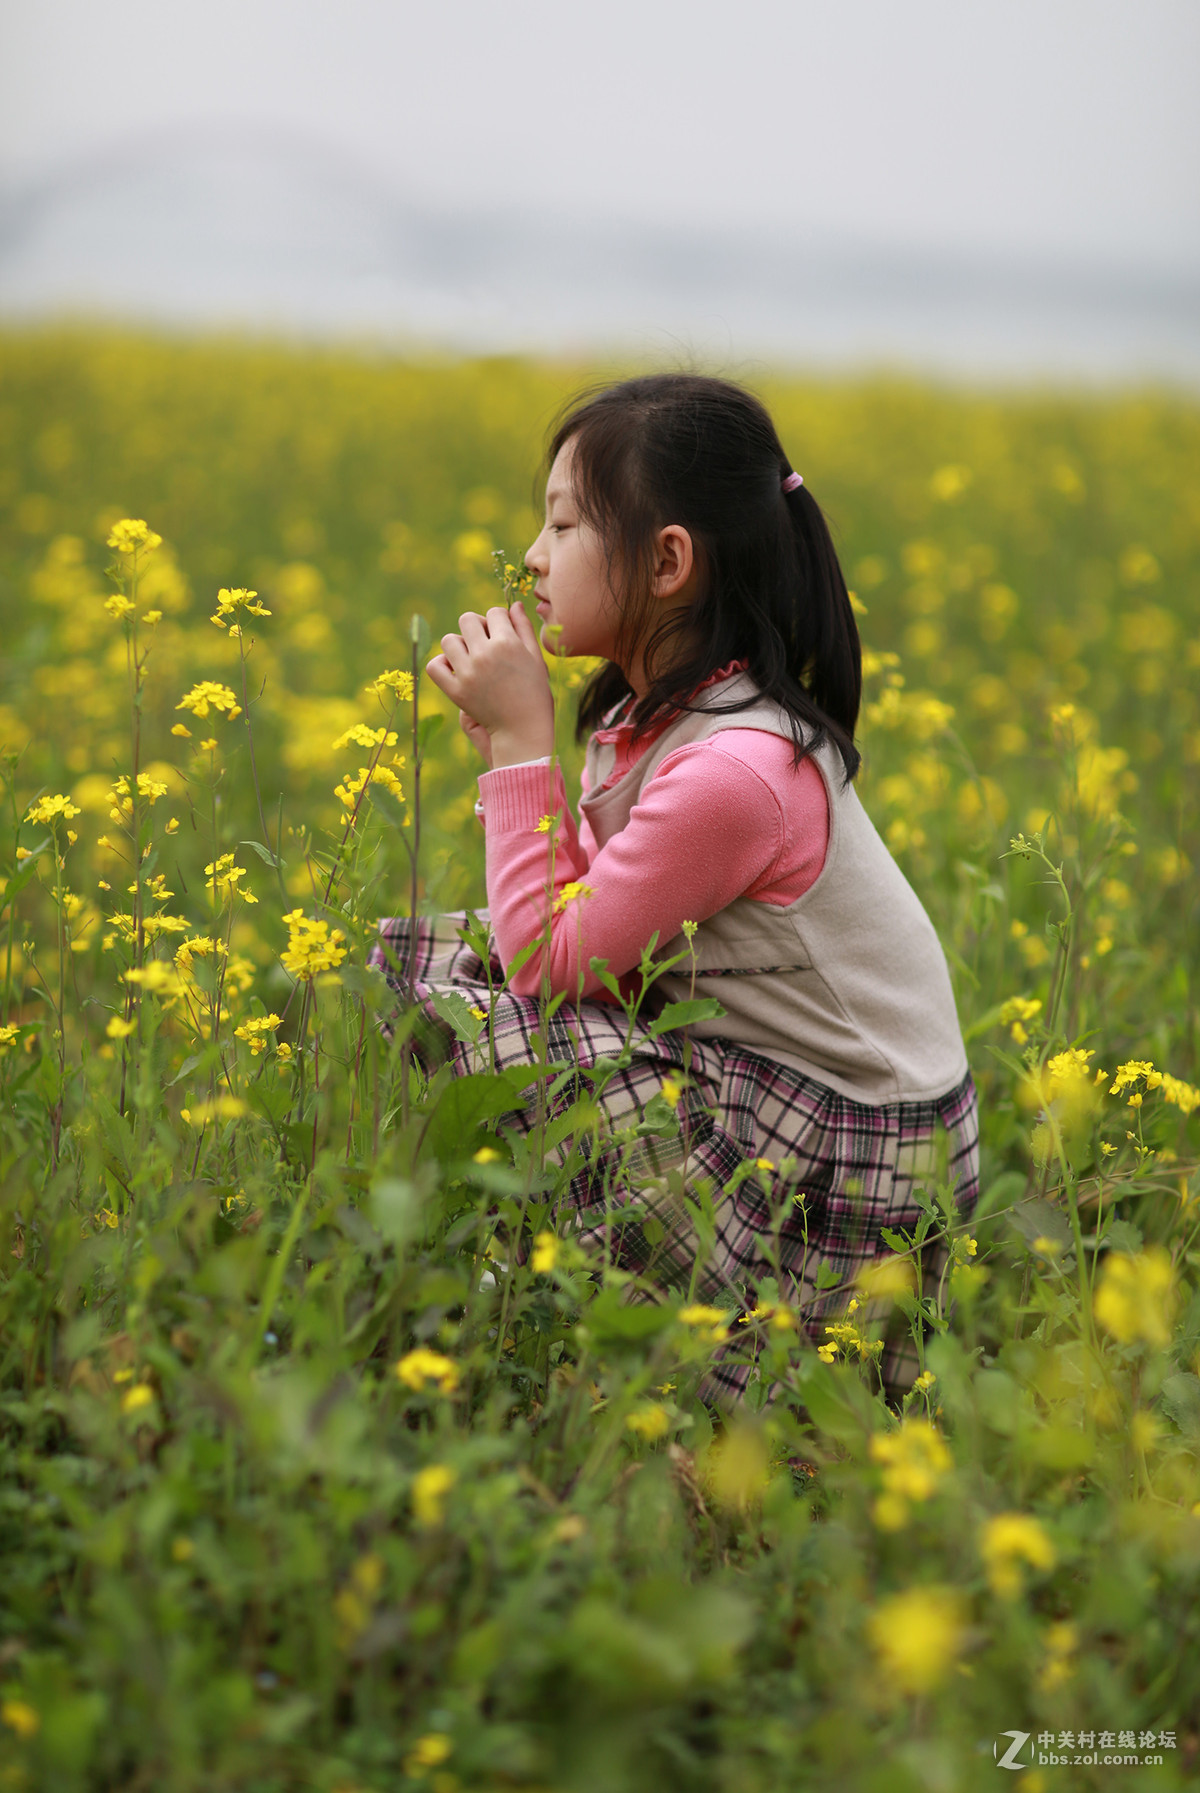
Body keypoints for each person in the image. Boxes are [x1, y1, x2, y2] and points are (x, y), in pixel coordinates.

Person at [374, 373, 978, 1405]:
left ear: (668, 562)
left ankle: (692, 1352)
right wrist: (523, 764)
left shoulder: (734, 772)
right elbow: (578, 928)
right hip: (791, 1098)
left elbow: (550, 964)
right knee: (430, 957)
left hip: (862, 1171)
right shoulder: (675, 717)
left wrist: (522, 750)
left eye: (562, 523)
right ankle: (502, 1268)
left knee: (486, 1011)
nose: (532, 556)